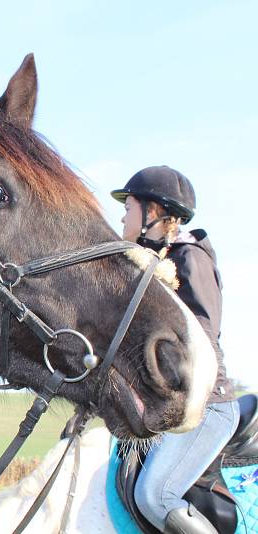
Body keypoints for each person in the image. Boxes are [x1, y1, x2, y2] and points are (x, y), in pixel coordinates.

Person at [111, 165, 239, 534]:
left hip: (207, 405)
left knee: (154, 497)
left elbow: (202, 333)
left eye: (129, 206)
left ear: (154, 212)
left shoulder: (189, 257)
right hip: (170, 405)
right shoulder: (149, 261)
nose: (122, 214)